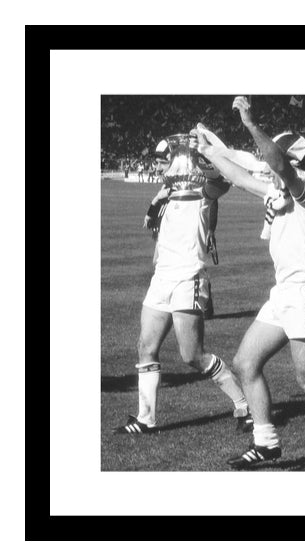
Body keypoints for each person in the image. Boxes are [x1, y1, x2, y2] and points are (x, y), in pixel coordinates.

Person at [201, 95, 305, 471]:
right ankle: (266, 442)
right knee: (246, 363)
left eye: (276, 156)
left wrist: (249, 123)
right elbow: (240, 177)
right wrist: (209, 152)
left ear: (294, 161)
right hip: (285, 292)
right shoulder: (279, 190)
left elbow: (273, 161)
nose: (266, 162)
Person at [115, 133, 251, 435]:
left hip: (187, 277)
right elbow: (157, 231)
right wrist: (155, 206)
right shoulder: (166, 197)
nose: (172, 170)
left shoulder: (204, 194)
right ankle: (145, 418)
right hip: (161, 278)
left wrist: (204, 155)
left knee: (192, 356)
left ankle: (244, 404)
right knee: (145, 347)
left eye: (177, 165)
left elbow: (221, 182)